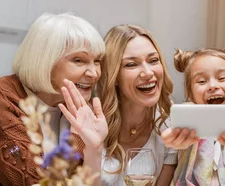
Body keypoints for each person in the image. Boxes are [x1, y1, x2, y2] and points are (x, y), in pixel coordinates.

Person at [0, 12, 105, 185]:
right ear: (45, 60)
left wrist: (94, 148)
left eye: (97, 61)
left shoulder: (76, 108)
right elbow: (32, 181)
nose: (94, 73)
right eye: (79, 60)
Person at [60, 25, 177, 186]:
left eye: (153, 60)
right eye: (131, 64)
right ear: (113, 76)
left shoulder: (168, 123)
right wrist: (92, 147)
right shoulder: (82, 120)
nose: (148, 72)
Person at [162, 43, 225, 185]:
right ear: (191, 93)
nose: (212, 86)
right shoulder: (190, 114)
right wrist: (173, 135)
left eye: (222, 78)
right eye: (202, 81)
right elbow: (177, 126)